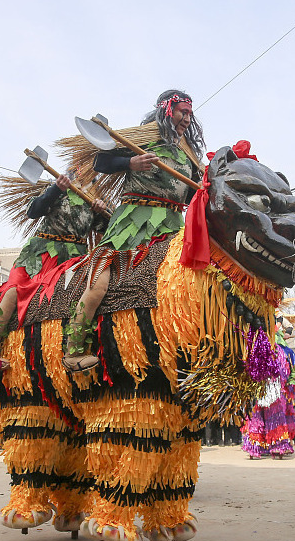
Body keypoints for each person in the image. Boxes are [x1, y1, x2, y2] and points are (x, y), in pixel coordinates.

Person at [64, 89, 204, 370]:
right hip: (132, 221)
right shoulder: (142, 139)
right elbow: (101, 162)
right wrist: (130, 162)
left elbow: (191, 197)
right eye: (182, 111)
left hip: (173, 226)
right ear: (167, 110)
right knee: (100, 278)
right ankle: (74, 350)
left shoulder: (189, 157)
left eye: (190, 113)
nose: (187, 118)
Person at [0, 173, 109, 371]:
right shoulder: (55, 187)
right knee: (14, 291)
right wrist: (56, 189)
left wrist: (103, 210)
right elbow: (33, 210)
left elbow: (107, 227)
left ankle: (74, 350)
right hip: (42, 253)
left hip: (74, 256)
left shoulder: (94, 197)